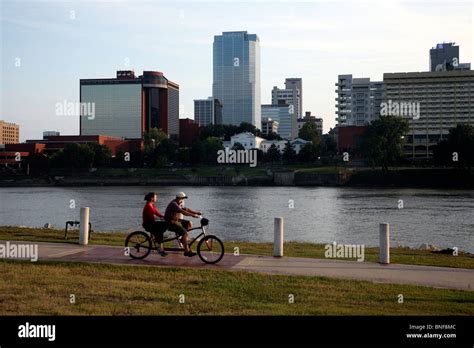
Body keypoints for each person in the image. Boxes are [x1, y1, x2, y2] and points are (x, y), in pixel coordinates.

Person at [164, 192, 201, 257]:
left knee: (188, 223)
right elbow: (183, 212)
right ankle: (187, 251)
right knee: (185, 233)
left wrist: (196, 213)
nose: (183, 200)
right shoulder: (174, 204)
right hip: (170, 223)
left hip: (176, 221)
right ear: (179, 198)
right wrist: (193, 215)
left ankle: (183, 240)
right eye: (183, 198)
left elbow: (186, 209)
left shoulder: (179, 203)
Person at [142, 192, 168, 257]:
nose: (156, 198)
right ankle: (159, 246)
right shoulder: (148, 206)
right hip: (148, 224)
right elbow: (151, 217)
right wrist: (161, 219)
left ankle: (159, 244)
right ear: (152, 198)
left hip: (152, 223)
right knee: (161, 229)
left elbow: (157, 213)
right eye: (155, 197)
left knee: (161, 230)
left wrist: (164, 217)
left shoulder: (152, 205)